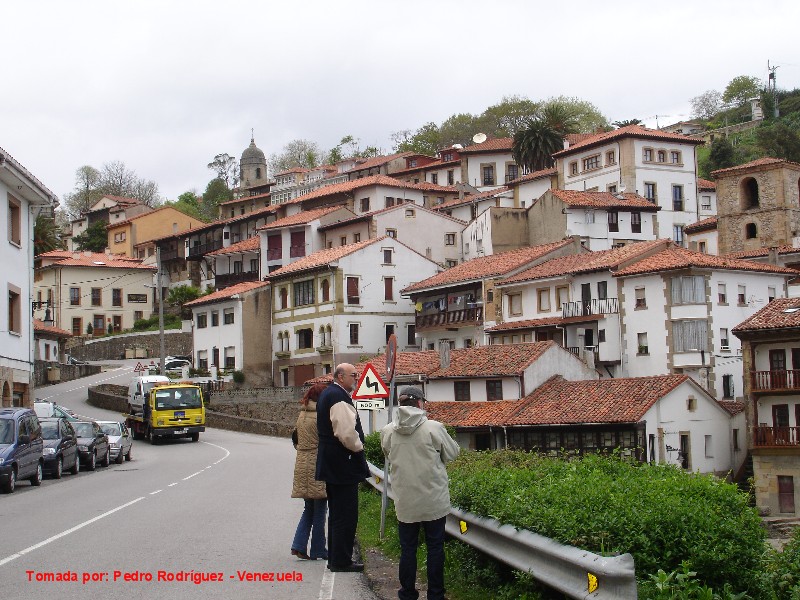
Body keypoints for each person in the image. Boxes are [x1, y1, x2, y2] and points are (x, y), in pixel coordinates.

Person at [380, 386, 461, 600]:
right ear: (418, 403)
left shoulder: (388, 430)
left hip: (405, 500)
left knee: (408, 548)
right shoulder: (434, 428)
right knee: (435, 547)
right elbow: (453, 453)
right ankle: (435, 594)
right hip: (433, 499)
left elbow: (387, 453)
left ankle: (407, 593)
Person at [315, 363, 370, 573]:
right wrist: (359, 448)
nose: (356, 378)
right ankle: (341, 560)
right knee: (345, 514)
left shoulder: (329, 394)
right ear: (340, 376)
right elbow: (346, 433)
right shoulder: (338, 397)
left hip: (332, 462)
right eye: (353, 375)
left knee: (337, 513)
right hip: (342, 463)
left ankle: (337, 558)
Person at [290, 383, 329, 561]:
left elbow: (295, 438)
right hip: (316, 463)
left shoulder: (302, 414)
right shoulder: (320, 416)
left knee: (308, 508)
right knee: (320, 509)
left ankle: (298, 545)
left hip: (302, 464)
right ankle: (318, 549)